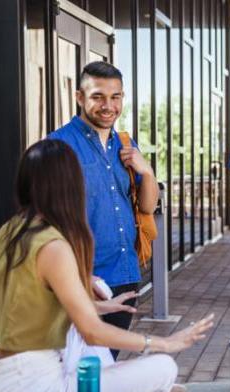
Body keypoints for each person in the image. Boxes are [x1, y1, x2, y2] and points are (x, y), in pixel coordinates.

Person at [0, 139, 214, 392]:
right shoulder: (53, 246)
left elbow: (26, 305)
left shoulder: (9, 231)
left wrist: (98, 306)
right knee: (164, 367)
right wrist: (164, 342)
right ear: (70, 186)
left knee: (81, 338)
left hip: (0, 382)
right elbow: (93, 332)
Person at [48, 61, 157, 358]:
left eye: (115, 97)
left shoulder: (125, 144)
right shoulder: (58, 146)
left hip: (124, 274)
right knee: (77, 364)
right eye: (98, 97)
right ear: (80, 97)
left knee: (107, 362)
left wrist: (146, 172)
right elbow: (46, 221)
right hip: (83, 277)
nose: (108, 106)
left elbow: (148, 206)